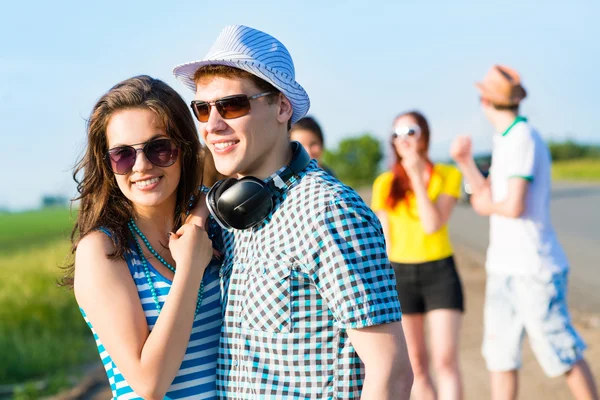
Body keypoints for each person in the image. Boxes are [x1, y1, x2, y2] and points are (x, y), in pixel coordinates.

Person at [173, 25, 413, 399]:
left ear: (282, 107)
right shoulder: (232, 211)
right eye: (202, 109)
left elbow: (391, 372)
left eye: (232, 105)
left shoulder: (328, 211)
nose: (213, 125)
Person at [65, 75, 222, 399]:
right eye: (122, 154)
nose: (141, 166)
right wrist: (190, 269)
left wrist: (202, 211)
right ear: (107, 165)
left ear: (184, 148)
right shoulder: (102, 251)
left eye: (159, 148)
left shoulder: (212, 228)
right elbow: (149, 383)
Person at [451, 65, 598, 400]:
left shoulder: (521, 138)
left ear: (485, 100)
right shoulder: (507, 138)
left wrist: (486, 205)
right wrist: (464, 162)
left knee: (561, 353)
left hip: (534, 268)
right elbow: (487, 195)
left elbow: (511, 204)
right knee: (500, 357)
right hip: (505, 265)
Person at [371, 111, 464, 400]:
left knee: (445, 361)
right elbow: (383, 238)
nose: (404, 139)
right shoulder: (384, 183)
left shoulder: (448, 175)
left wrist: (416, 177)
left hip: (440, 272)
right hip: (400, 274)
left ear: (425, 135)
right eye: (397, 133)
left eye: (411, 131)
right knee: (418, 367)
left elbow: (432, 224)